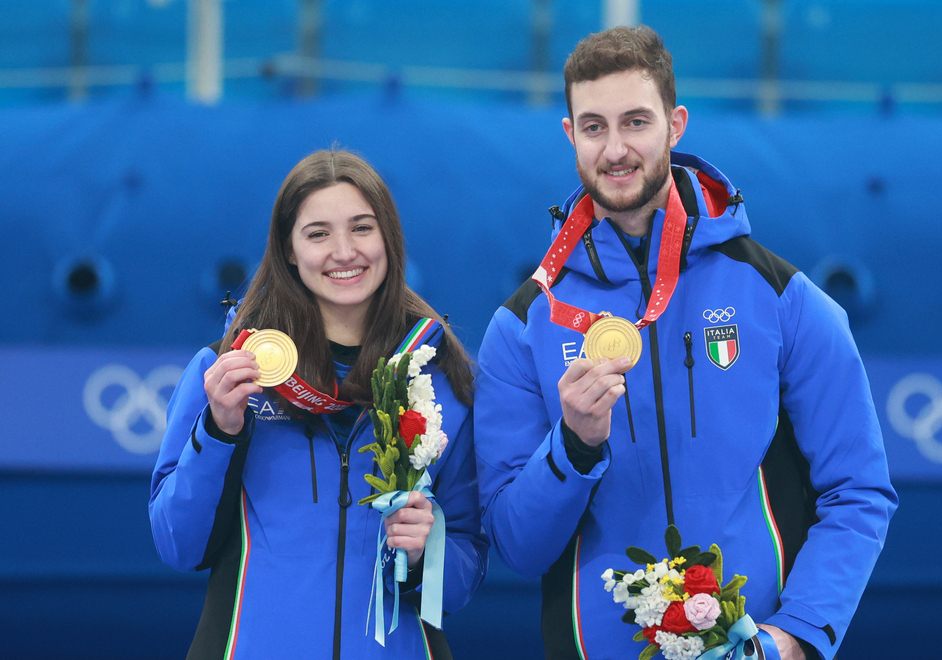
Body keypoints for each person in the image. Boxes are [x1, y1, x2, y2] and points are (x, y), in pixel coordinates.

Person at [474, 26, 897, 660]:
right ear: (569, 134)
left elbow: (859, 489)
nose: (615, 149)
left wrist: (800, 634)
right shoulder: (525, 324)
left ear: (675, 125)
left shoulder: (781, 296)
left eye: (636, 122)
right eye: (594, 127)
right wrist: (574, 446)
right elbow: (517, 544)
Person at [150, 149, 488, 660]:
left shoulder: (442, 380)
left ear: (389, 241)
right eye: (318, 233)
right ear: (289, 249)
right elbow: (179, 545)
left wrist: (425, 556)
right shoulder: (228, 374)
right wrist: (219, 429)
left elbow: (461, 578)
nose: (344, 251)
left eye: (362, 228)